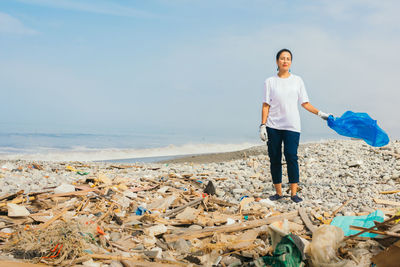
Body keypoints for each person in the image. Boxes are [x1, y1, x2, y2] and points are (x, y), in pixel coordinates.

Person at [259, 48, 331, 203]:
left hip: (292, 125)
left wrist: (321, 114)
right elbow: (266, 105)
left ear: (291, 62)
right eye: (282, 58)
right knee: (275, 158)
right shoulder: (270, 82)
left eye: (288, 58)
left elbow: (305, 103)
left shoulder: (297, 80)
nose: (285, 61)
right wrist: (263, 125)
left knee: (291, 156)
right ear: (277, 61)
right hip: (273, 126)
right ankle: (278, 193)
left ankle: (293, 193)